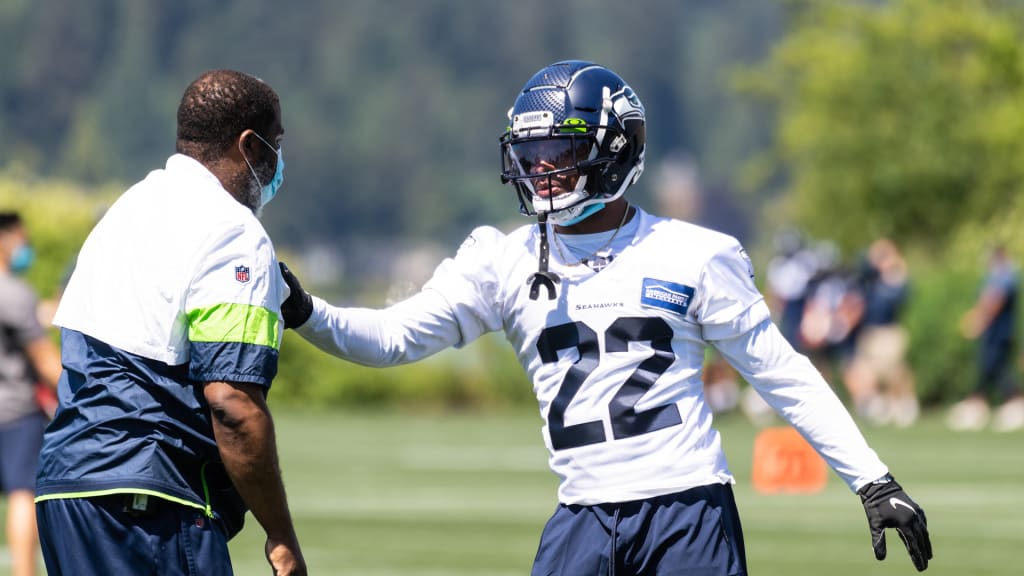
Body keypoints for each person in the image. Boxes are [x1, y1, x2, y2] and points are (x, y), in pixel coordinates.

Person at [280, 60, 931, 573]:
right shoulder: (500, 259)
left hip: (687, 512)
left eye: (559, 152)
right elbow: (394, 338)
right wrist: (307, 311)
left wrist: (872, 481)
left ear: (615, 149)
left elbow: (780, 372)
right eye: (530, 154)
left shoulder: (693, 254)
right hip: (581, 515)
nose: (541, 171)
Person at [34, 70, 306, 575]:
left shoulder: (128, 209)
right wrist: (281, 534)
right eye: (277, 143)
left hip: (65, 490)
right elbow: (233, 404)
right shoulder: (233, 231)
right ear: (250, 144)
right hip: (149, 503)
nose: (278, 161)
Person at [0, 212, 62, 576]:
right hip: (16, 414)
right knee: (24, 494)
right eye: (21, 239)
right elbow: (44, 359)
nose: (26, 247)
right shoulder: (14, 293)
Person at [949, 245, 1024, 432]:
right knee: (991, 368)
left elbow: (994, 300)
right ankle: (980, 401)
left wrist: (979, 320)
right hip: (993, 334)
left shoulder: (1006, 275)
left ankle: (984, 402)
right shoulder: (994, 275)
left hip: (1000, 333)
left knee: (993, 367)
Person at [845, 238, 918, 427]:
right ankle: (875, 406)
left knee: (893, 371)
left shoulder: (895, 280)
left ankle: (902, 404)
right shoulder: (868, 279)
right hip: (869, 332)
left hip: (888, 331)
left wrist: (893, 266)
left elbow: (901, 294)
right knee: (865, 373)